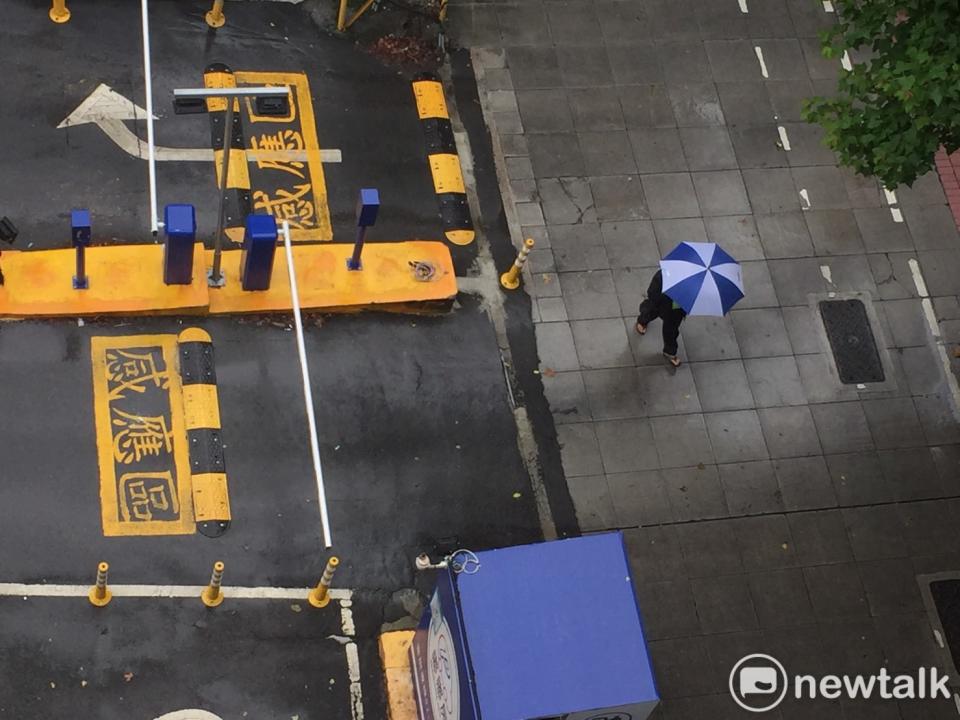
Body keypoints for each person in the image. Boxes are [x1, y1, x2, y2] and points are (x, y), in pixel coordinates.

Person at [636, 269, 686, 367]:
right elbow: (653, 290)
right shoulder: (666, 274)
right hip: (660, 302)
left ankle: (670, 351)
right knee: (650, 311)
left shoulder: (691, 285)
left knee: (671, 330)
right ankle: (642, 321)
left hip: (676, 311)